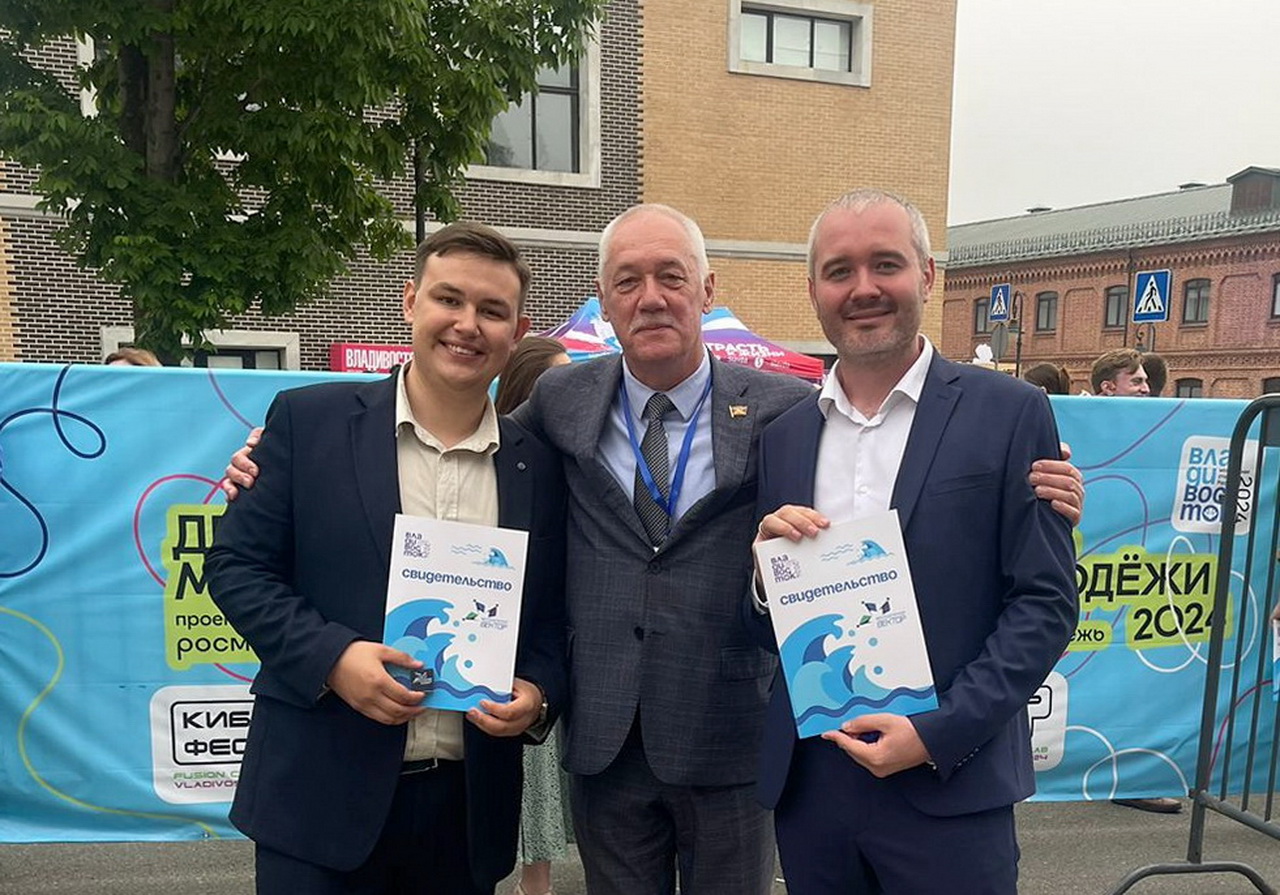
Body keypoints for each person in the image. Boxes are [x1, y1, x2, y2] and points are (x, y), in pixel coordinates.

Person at [223, 204, 1087, 895]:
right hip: (605, 745)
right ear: (602, 300)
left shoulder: (789, 413)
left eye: (672, 277)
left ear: (706, 288)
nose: (652, 298)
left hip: (731, 740)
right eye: (628, 281)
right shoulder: (552, 410)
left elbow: (901, 485)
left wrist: (1040, 482)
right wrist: (259, 468)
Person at [205, 222, 569, 895]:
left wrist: (539, 693)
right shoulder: (309, 423)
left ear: (517, 332)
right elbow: (234, 567)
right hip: (316, 803)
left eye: (492, 310)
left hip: (464, 815)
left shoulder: (540, 467)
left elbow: (553, 618)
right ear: (409, 302)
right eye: (448, 299)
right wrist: (333, 659)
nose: (467, 324)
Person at [751, 188, 1078, 895]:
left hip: (952, 783)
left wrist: (938, 731)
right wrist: (761, 577)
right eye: (839, 271)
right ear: (813, 292)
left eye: (886, 264)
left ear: (928, 275)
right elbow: (760, 623)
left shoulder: (1011, 412)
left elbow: (1045, 603)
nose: (863, 288)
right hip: (814, 788)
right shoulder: (783, 437)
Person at [493, 336, 574, 895]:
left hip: (543, 669)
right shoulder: (494, 460)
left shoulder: (568, 463)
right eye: (556, 381)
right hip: (490, 657)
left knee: (541, 800)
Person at [1093, 346, 1179, 813]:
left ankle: (1126, 776)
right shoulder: (1082, 426)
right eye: (1138, 381)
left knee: (1126, 679)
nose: (1148, 389)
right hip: (1092, 577)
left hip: (1129, 578)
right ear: (1109, 387)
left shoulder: (1153, 432)